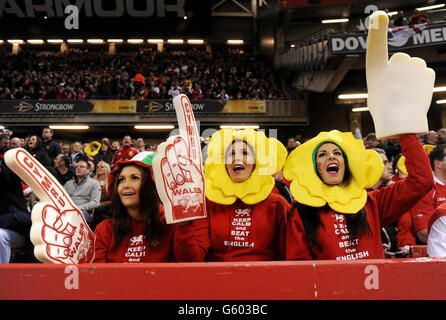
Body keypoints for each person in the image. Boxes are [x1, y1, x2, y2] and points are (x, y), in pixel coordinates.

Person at [284, 130, 433, 260]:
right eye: (322, 154)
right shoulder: (301, 212)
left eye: (337, 153)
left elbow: (421, 181)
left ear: (346, 164)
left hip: (373, 290)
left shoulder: (371, 202)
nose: (331, 157)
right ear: (316, 168)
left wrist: (405, 134)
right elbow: (299, 268)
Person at [93, 152, 209, 263]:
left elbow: (190, 265)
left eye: (135, 178)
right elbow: (97, 276)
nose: (126, 185)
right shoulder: (105, 230)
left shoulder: (174, 225)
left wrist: (184, 227)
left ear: (154, 186)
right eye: (121, 180)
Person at [203, 128, 289, 261]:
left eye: (244, 153)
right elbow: (192, 257)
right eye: (231, 154)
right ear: (224, 164)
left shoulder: (277, 204)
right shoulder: (208, 203)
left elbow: (288, 256)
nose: (237, 158)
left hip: (265, 278)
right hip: (218, 278)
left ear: (256, 162)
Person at [64, 159, 101, 224]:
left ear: (88, 170)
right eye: (77, 167)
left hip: (84, 212)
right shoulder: (68, 184)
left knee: (78, 215)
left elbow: (95, 202)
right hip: (67, 210)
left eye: (81, 167)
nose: (78, 168)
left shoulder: (94, 184)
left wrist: (78, 208)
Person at [90, 160, 112, 231]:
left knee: (99, 209)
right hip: (92, 206)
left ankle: (95, 229)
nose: (99, 168)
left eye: (102, 167)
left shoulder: (111, 182)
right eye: (98, 167)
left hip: (105, 208)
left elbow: (114, 200)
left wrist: (101, 203)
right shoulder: (92, 181)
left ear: (107, 169)